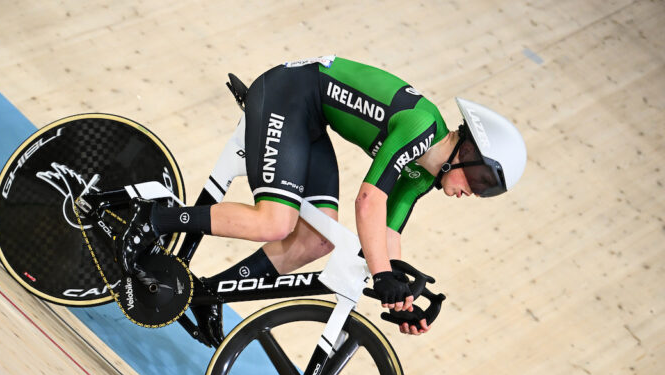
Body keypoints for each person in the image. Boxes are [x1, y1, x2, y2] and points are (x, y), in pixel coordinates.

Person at [119, 56, 527, 335]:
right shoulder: (421, 126)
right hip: (289, 94)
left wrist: (401, 298)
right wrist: (383, 275)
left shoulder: (422, 176)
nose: (475, 193)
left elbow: (385, 239)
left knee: (319, 238)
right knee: (276, 220)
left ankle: (208, 293)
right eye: (483, 183)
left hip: (310, 121)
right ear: (469, 153)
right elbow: (369, 201)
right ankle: (154, 218)